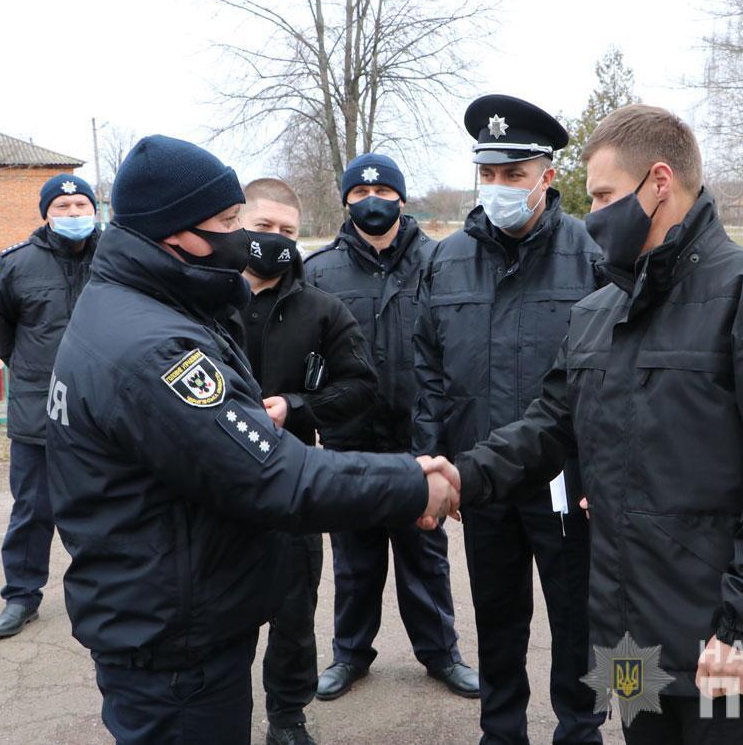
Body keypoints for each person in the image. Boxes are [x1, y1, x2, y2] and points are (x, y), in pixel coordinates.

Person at [43, 135, 459, 745]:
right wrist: (412, 482)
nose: (245, 240)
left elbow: (351, 386)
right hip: (174, 637)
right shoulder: (154, 346)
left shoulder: (143, 305)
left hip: (174, 602)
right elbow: (273, 476)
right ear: (172, 232)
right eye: (230, 222)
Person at [452, 104, 743, 744]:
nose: (594, 211)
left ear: (659, 181)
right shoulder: (600, 311)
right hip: (628, 639)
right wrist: (456, 477)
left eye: (605, 194)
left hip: (727, 644)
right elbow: (550, 423)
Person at [412, 94, 604, 744]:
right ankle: (502, 732)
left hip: (563, 483)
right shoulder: (445, 261)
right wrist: (435, 466)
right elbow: (427, 374)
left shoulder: (593, 255)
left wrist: (596, 473)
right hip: (481, 480)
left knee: (578, 624)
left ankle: (580, 731)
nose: (497, 188)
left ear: (547, 175)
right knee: (497, 621)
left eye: (513, 175)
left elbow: (611, 379)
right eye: (488, 174)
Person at [304, 152, 478, 701]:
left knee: (425, 556)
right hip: (349, 443)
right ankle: (349, 655)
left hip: (418, 443)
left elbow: (456, 352)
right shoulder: (319, 271)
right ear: (347, 201)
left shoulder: (438, 261)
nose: (371, 202)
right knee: (354, 560)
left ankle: (441, 654)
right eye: (358, 195)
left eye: (382, 193)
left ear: (401, 199)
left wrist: (447, 443)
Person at [228, 178, 378, 745]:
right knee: (221, 608)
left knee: (294, 611)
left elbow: (361, 385)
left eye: (287, 231)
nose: (275, 240)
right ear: (238, 222)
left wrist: (297, 406)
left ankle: (287, 717)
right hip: (214, 483)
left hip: (292, 483)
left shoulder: (322, 309)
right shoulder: (202, 304)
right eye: (263, 227)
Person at [0, 173, 100, 638]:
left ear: (95, 209)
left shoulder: (115, 257)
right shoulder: (16, 263)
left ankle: (107, 590)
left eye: (81, 206)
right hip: (38, 406)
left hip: (102, 404)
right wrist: (30, 368)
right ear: (46, 213)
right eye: (62, 208)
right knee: (32, 507)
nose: (73, 215)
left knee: (111, 502)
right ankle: (21, 596)